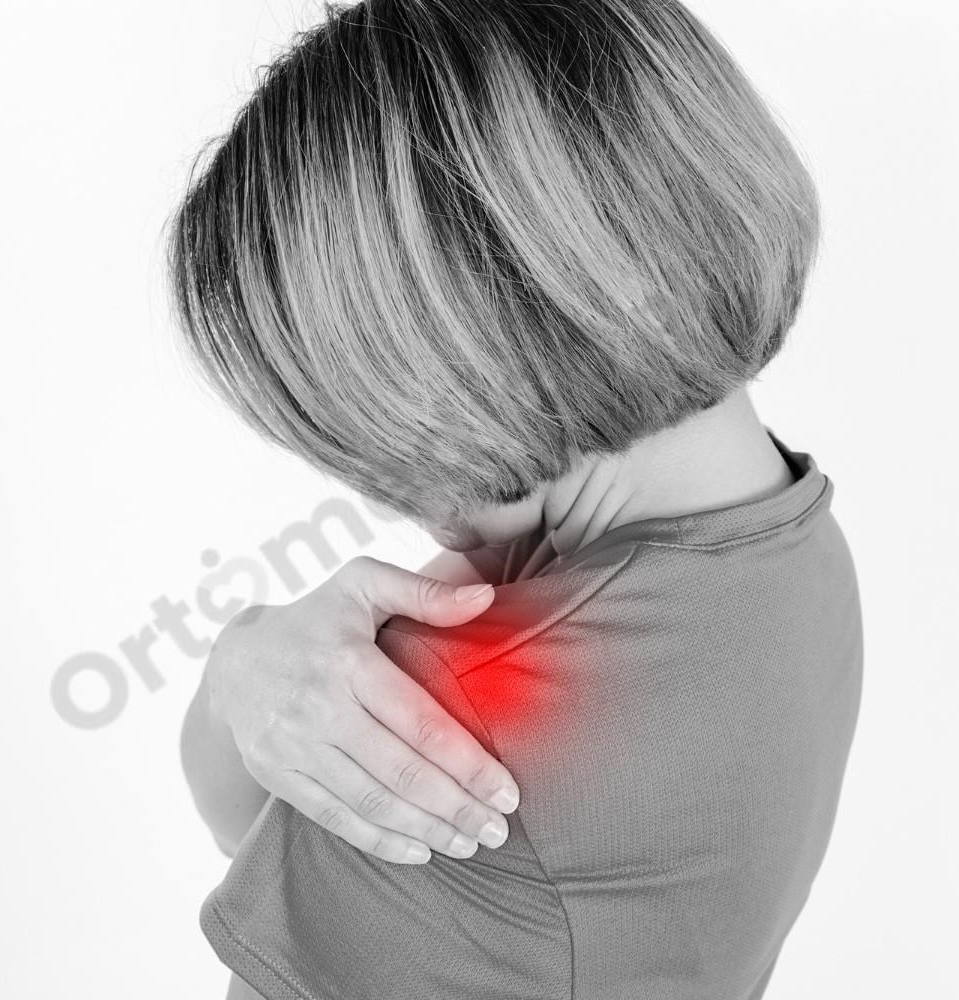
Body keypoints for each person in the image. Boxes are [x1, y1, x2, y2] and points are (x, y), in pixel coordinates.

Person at [167, 1, 863, 997]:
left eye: (367, 433)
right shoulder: (790, 538)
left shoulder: (468, 707)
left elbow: (251, 832)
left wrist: (241, 677)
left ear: (471, 353)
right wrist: (248, 660)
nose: (388, 497)